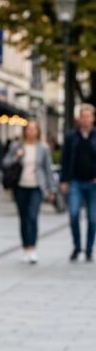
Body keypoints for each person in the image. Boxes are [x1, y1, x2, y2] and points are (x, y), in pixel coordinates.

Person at [2, 121, 54, 263]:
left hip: (37, 187)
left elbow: (48, 169)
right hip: (20, 187)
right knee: (24, 218)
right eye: (29, 129)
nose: (31, 132)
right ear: (25, 131)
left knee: (32, 216)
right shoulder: (16, 146)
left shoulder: (43, 148)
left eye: (34, 129)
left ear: (37, 131)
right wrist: (16, 156)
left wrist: (51, 189)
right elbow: (5, 163)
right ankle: (25, 247)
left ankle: (32, 248)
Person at [60, 104, 96, 262]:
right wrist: (64, 180)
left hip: (93, 184)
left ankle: (89, 249)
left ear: (93, 118)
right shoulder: (71, 137)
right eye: (83, 116)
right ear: (79, 119)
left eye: (88, 116)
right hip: (75, 182)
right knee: (73, 214)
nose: (85, 119)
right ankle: (77, 246)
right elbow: (65, 159)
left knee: (93, 219)